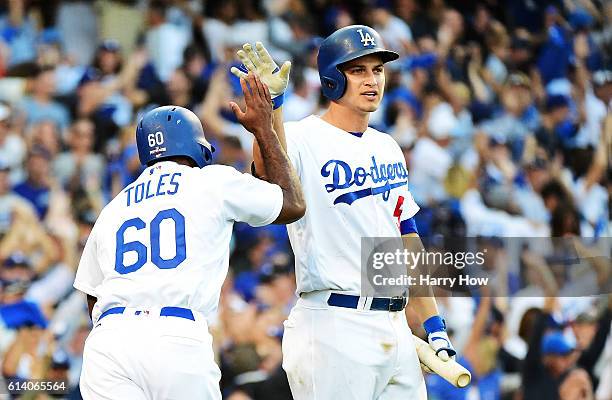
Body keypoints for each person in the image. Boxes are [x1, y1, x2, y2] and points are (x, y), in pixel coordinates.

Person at [233, 25, 456, 399]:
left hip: (393, 324)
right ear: (332, 79)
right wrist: (273, 108)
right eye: (358, 70)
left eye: (377, 70)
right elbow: (270, 179)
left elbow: (407, 238)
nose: (372, 80)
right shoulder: (303, 136)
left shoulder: (387, 147)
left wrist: (433, 324)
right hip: (333, 322)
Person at [72, 72, 305, 399]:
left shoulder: (114, 206)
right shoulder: (210, 181)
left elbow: (92, 294)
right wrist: (264, 128)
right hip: (175, 336)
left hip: (109, 343)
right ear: (197, 145)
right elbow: (292, 204)